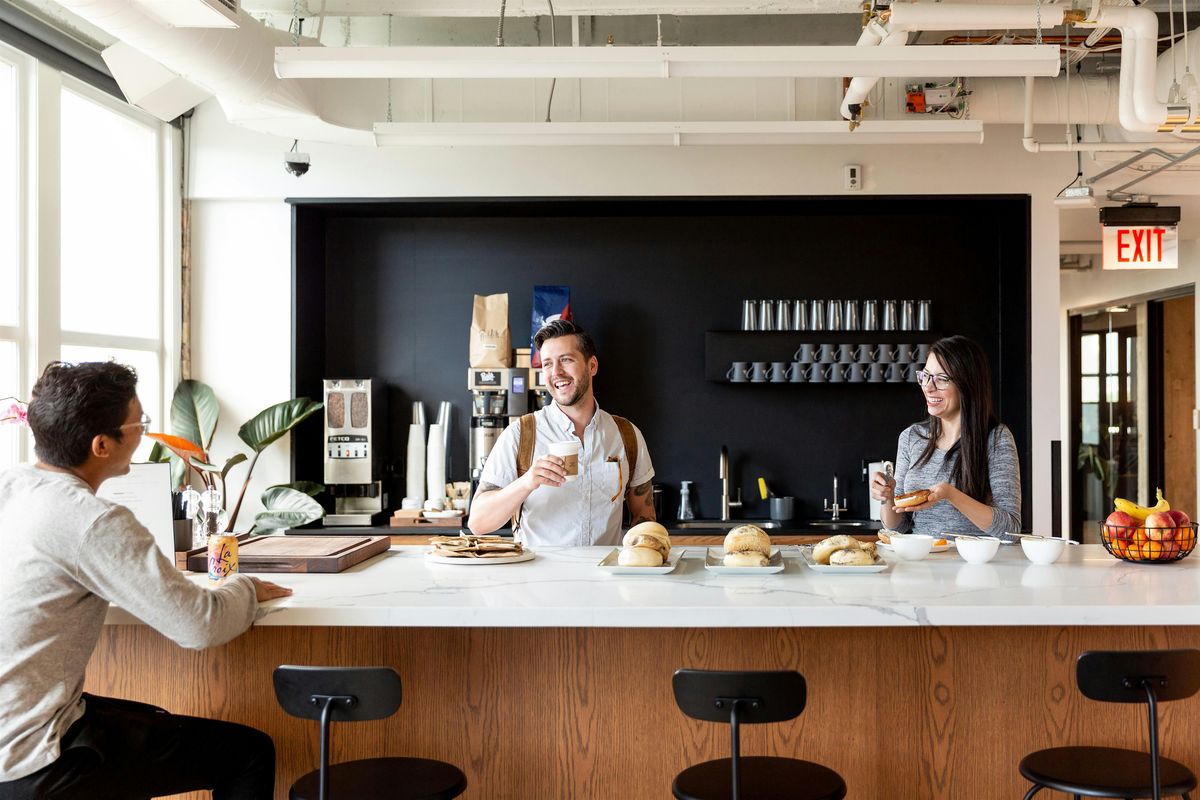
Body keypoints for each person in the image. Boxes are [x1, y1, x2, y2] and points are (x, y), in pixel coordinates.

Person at [0, 361, 292, 800]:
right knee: (249, 752)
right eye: (139, 423)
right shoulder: (92, 520)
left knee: (147, 716)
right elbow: (200, 626)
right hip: (30, 761)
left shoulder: (11, 486)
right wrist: (245, 588)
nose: (144, 432)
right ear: (102, 445)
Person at [468, 319, 656, 546]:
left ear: (592, 366)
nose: (556, 372)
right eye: (547, 364)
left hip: (605, 569)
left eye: (566, 360)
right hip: (539, 570)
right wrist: (527, 482)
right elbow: (478, 523)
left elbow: (644, 515)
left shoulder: (627, 435)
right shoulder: (520, 435)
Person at [869, 335, 1021, 537]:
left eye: (941, 379)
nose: (928, 387)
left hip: (972, 557)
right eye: (926, 376)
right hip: (922, 556)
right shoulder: (911, 437)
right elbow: (898, 526)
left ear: (968, 384)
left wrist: (950, 494)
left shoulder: (996, 439)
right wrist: (886, 498)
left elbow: (1010, 528)